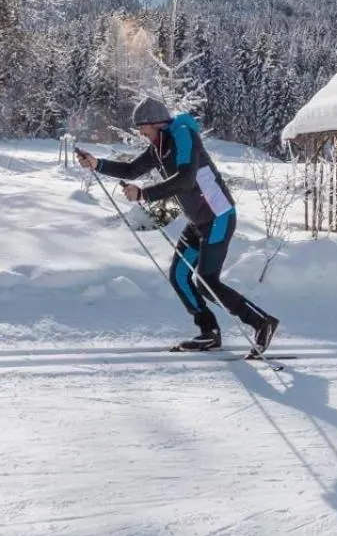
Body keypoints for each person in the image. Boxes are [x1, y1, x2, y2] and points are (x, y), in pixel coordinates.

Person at [77, 97, 279, 354]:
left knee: (207, 282)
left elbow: (185, 180)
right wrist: (97, 164)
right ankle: (209, 333)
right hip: (197, 221)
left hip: (218, 217)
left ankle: (262, 323)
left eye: (143, 128)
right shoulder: (159, 147)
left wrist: (144, 194)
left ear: (157, 123)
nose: (141, 133)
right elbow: (131, 170)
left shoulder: (183, 135)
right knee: (180, 276)